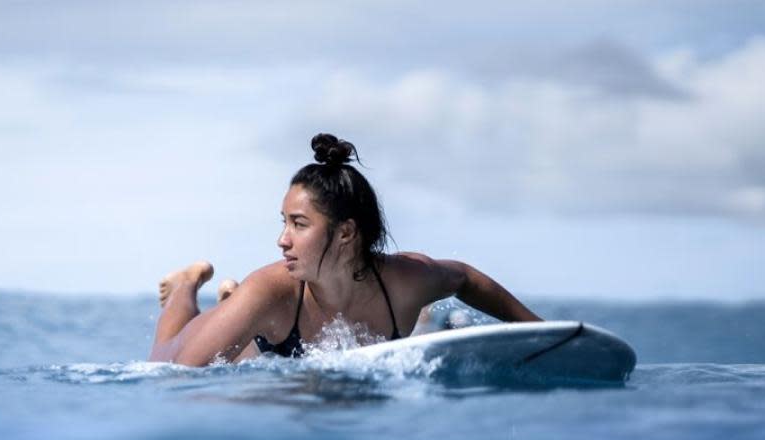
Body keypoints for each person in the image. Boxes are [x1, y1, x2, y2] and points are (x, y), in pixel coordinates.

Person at [149, 133, 541, 366]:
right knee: (168, 354)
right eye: (283, 222)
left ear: (346, 233)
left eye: (298, 224)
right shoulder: (269, 290)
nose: (282, 239)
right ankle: (187, 284)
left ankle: (228, 304)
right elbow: (176, 373)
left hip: (275, 341)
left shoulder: (403, 282)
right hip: (263, 341)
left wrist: (536, 330)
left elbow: (464, 278)